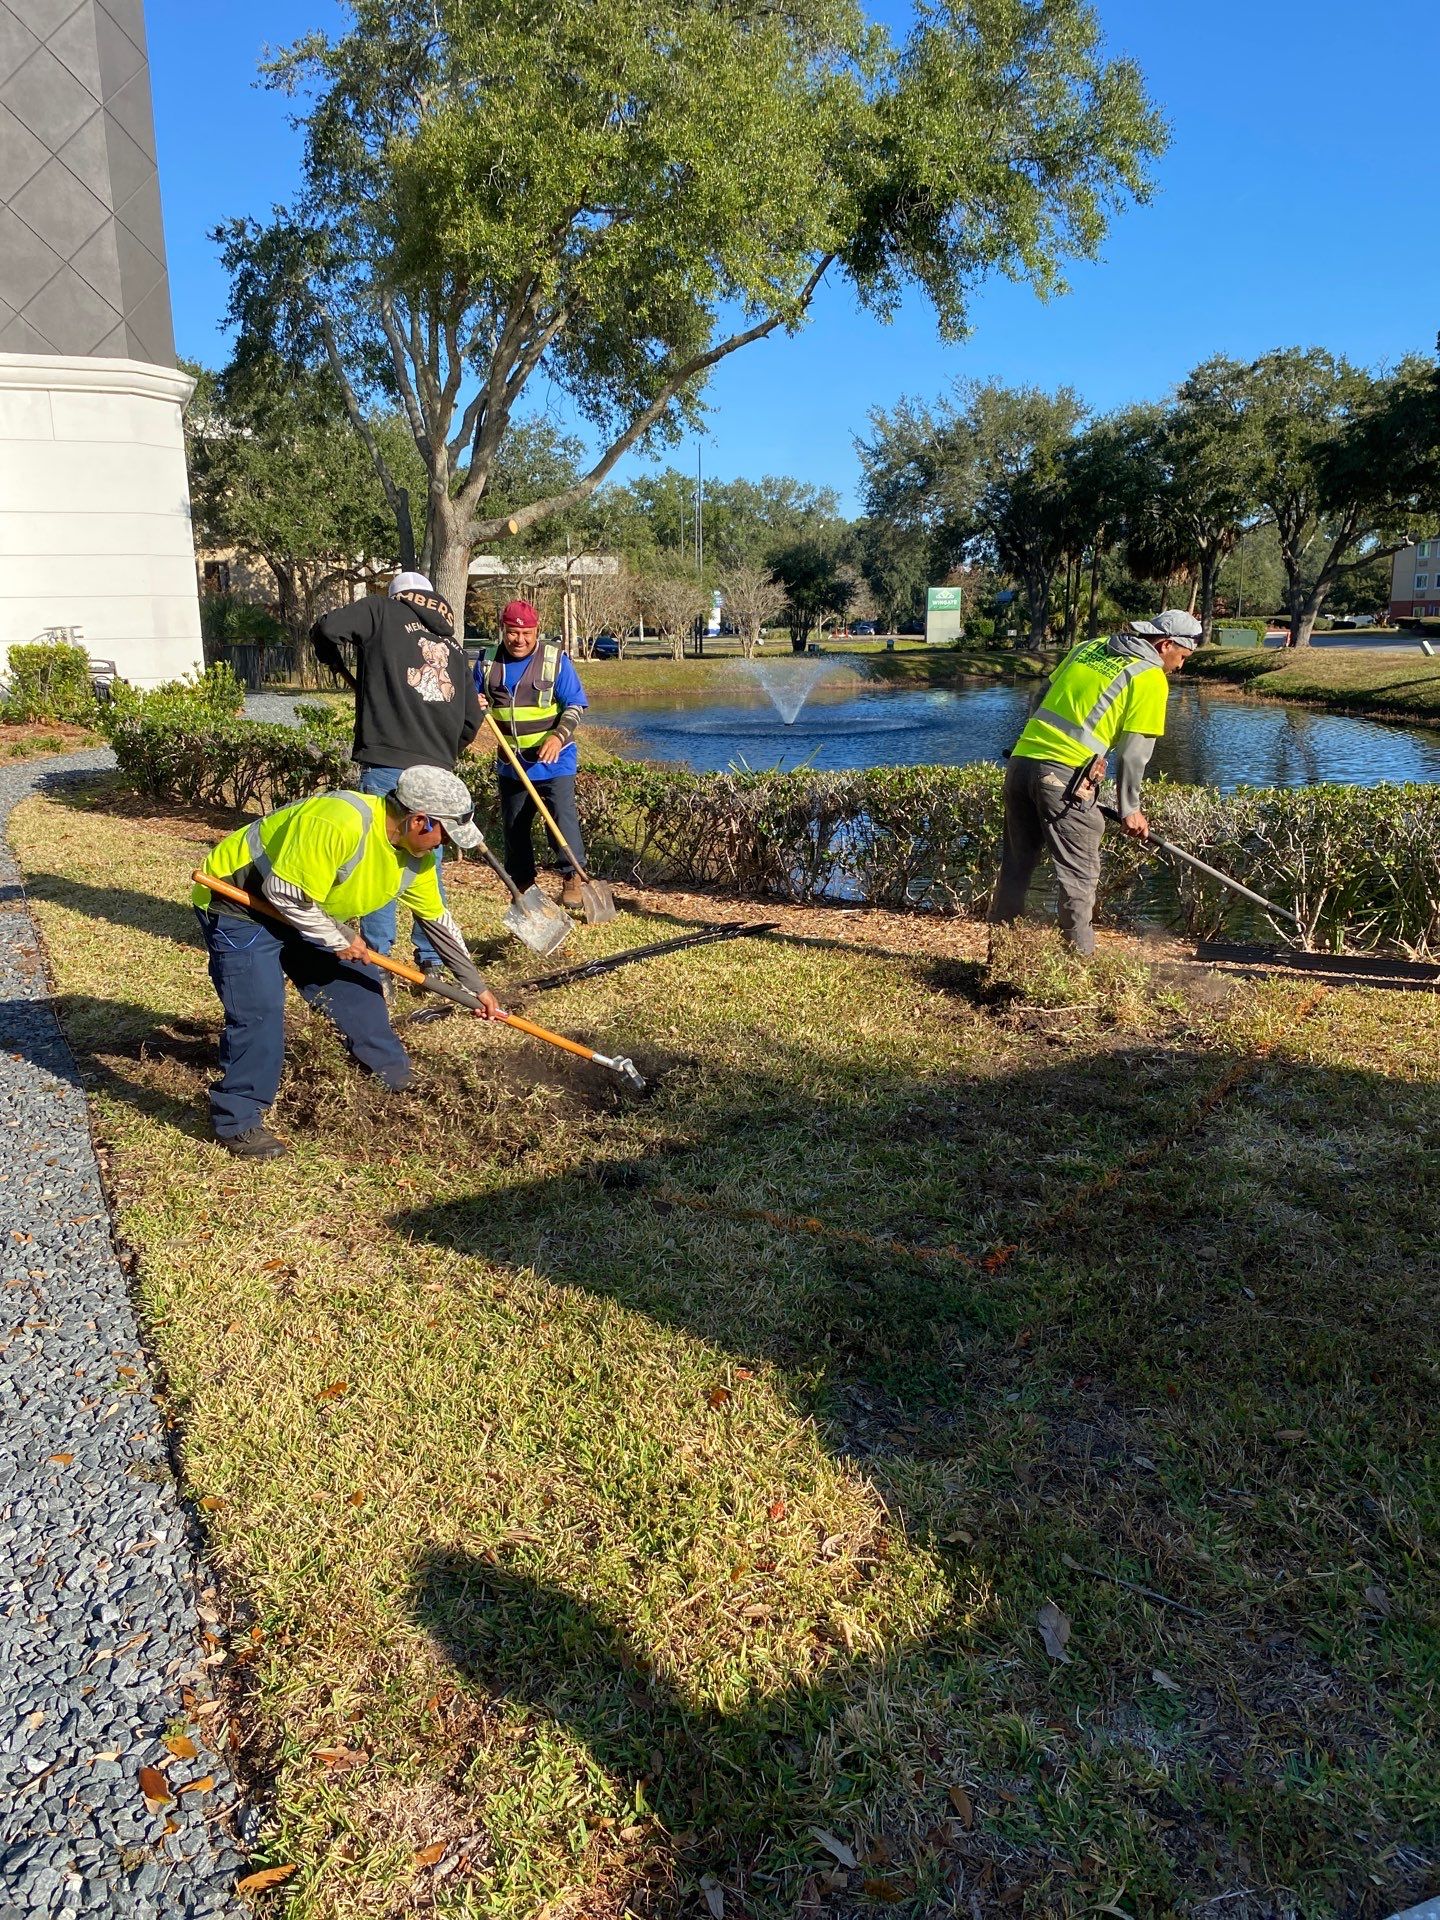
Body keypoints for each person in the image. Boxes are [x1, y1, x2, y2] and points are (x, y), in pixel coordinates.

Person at [191, 766, 501, 1161]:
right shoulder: (340, 820)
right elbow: (283, 891)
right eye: (446, 835)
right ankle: (237, 1119)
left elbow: (438, 923)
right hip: (241, 904)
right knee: (260, 1011)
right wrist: (340, 938)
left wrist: (476, 987)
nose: (447, 846)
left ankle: (396, 1077)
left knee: (361, 989)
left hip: (310, 911)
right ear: (419, 820)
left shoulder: (417, 859)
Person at [989, 608, 1203, 954]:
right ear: (1165, 645)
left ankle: (1001, 956)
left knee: (1017, 865)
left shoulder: (1089, 647)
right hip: (1065, 778)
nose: (1180, 666)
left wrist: (1035, 745)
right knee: (1079, 876)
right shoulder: (1149, 677)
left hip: (1021, 761)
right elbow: (1134, 754)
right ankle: (1078, 967)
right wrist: (1130, 808)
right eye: (1183, 657)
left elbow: (1041, 697)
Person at [310, 572, 482, 970]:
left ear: (398, 596)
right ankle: (432, 957)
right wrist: (443, 752)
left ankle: (377, 959)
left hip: (388, 760)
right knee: (426, 863)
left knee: (379, 859)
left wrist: (329, 656)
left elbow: (328, 628)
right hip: (438, 768)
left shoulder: (381, 610)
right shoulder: (454, 646)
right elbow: (471, 719)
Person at [476, 599, 590, 911]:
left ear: (536, 631)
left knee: (562, 820)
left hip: (555, 761)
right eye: (513, 632)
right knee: (514, 827)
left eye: (526, 633)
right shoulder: (486, 662)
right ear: (503, 630)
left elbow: (575, 705)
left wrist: (558, 736)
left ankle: (572, 877)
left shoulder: (555, 661)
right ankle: (524, 886)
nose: (520, 639)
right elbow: (471, 701)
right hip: (512, 763)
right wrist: (473, 703)